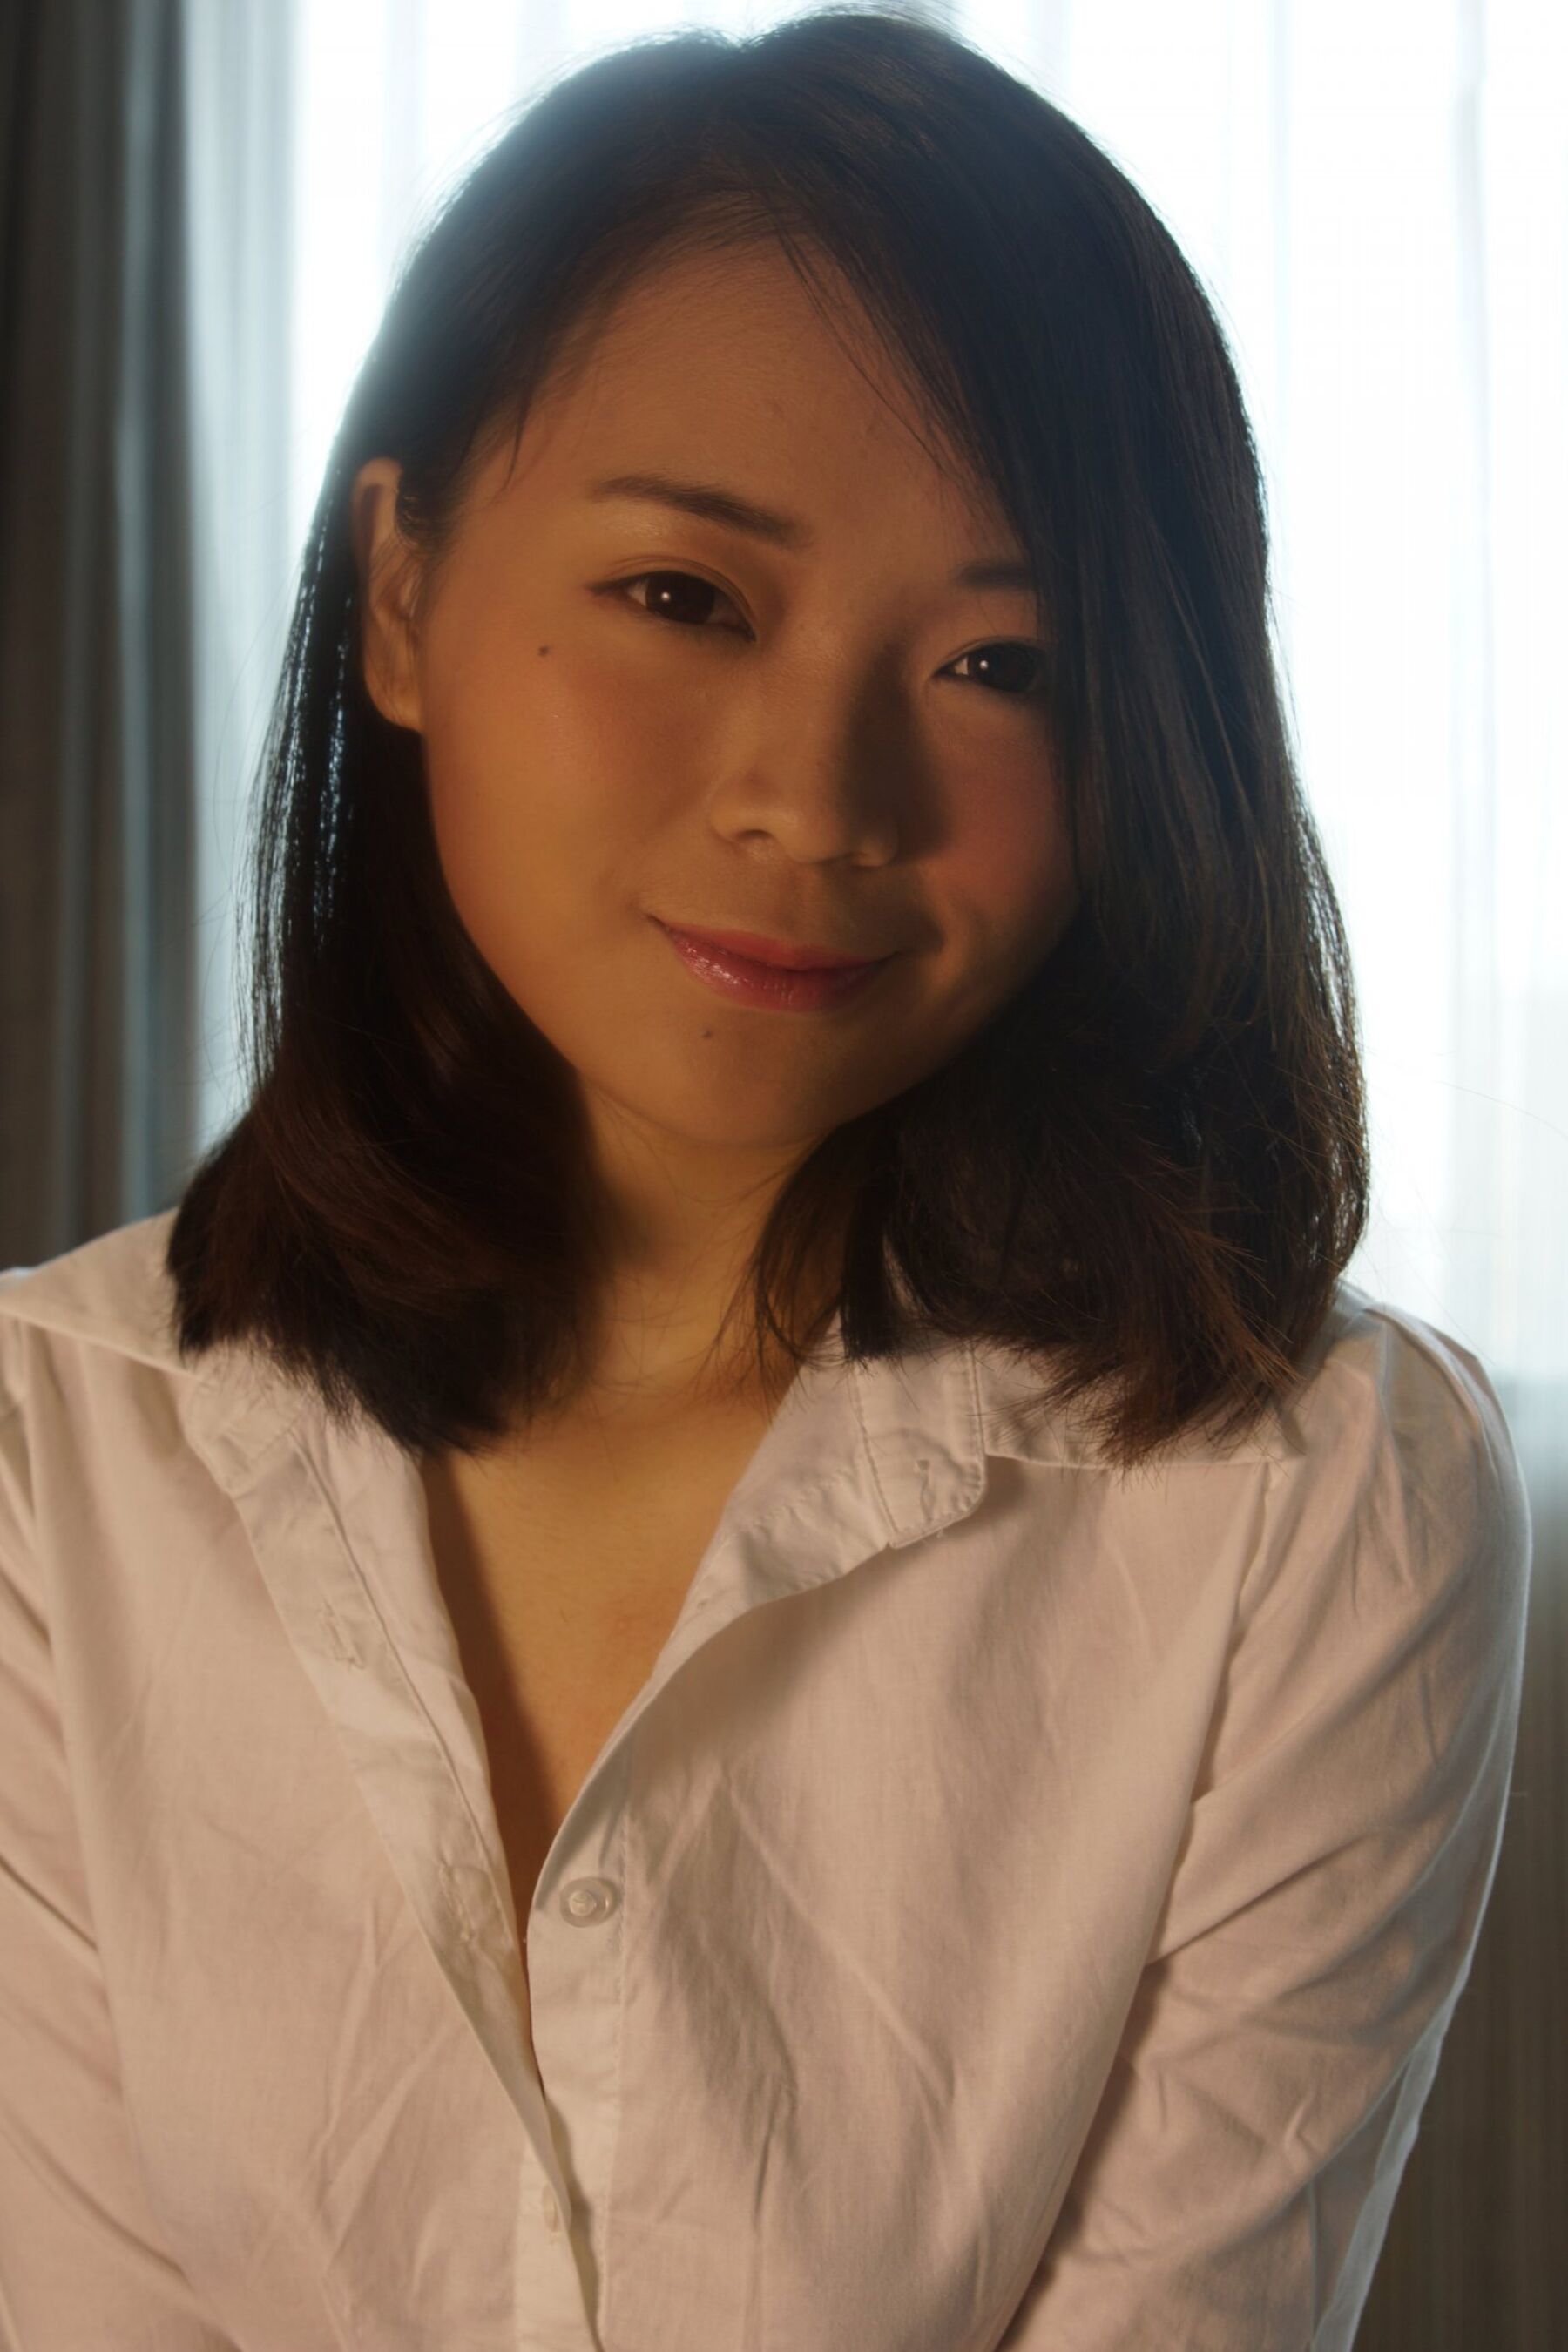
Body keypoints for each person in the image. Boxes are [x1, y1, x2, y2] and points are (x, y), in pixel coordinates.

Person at [0, 9, 1531, 2349]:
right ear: (401, 590)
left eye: (1002, 662)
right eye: (687, 598)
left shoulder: (1318, 1503)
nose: (817, 801)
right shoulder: (50, 1452)